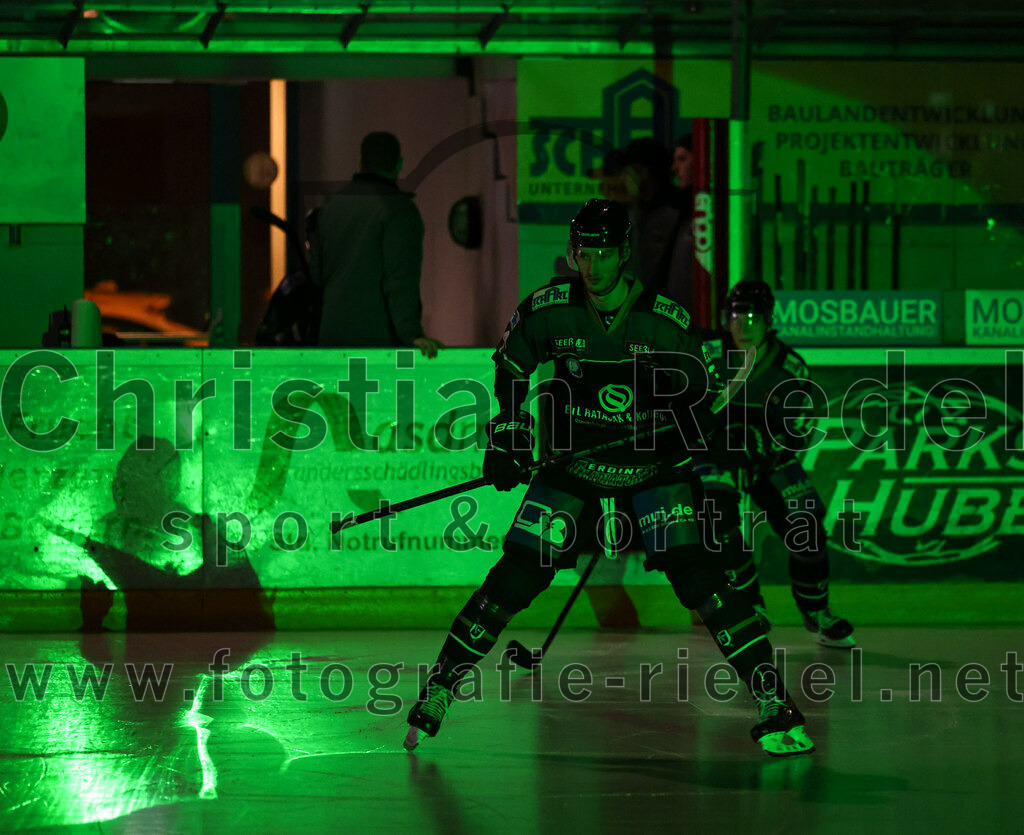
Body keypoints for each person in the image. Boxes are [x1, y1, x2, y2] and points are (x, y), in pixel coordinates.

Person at [404, 199, 815, 758]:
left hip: (652, 470)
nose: (592, 266)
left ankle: (773, 698)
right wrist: (507, 438)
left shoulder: (662, 320)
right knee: (516, 575)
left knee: (699, 578)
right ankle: (440, 687)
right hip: (574, 467)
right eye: (583, 253)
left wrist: (689, 426)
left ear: (624, 253)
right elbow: (511, 366)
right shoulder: (550, 310)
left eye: (603, 253)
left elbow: (707, 393)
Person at [695, 281, 855, 648]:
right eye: (736, 315)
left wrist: (759, 447)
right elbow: (683, 402)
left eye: (753, 316)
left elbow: (799, 429)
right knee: (716, 517)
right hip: (714, 454)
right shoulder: (705, 352)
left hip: (768, 459)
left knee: (807, 521)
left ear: (768, 321)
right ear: (726, 318)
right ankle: (750, 605)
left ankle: (817, 611)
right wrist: (713, 439)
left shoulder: (790, 367)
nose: (743, 324)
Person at [309, 131, 444, 358]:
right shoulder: (399, 211)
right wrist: (411, 333)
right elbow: (400, 279)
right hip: (379, 342)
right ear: (399, 164)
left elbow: (317, 274)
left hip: (331, 336)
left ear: (361, 163)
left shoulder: (331, 209)